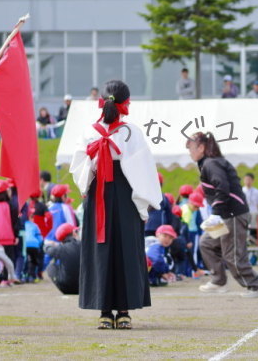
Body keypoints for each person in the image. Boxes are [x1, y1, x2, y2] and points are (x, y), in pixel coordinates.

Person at [70, 80, 162, 330]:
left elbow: (78, 166)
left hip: (98, 192)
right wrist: (144, 204)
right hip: (125, 193)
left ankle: (103, 310)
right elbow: (143, 170)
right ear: (126, 103)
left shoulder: (89, 132)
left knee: (100, 249)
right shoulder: (131, 132)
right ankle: (124, 312)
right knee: (126, 249)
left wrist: (93, 166)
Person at [187, 131, 258, 297]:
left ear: (201, 147)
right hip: (224, 215)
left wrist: (215, 213)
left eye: (191, 148)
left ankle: (255, 286)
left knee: (233, 255)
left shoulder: (211, 163)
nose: (190, 152)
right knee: (207, 243)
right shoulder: (207, 163)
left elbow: (222, 187)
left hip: (233, 214)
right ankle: (218, 281)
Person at [45, 223, 81, 295]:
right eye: (76, 231)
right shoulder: (83, 245)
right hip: (84, 288)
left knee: (50, 267)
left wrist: (51, 244)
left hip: (67, 289)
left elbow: (47, 250)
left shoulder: (60, 248)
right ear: (73, 233)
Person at [145, 173, 172, 237]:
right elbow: (169, 214)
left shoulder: (144, 196)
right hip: (160, 228)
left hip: (146, 226)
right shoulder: (163, 197)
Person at [23, 217, 44, 283]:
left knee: (25, 260)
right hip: (34, 245)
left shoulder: (22, 225)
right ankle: (32, 276)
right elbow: (40, 238)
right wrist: (39, 245)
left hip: (25, 244)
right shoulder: (35, 225)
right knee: (34, 261)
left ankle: (24, 276)